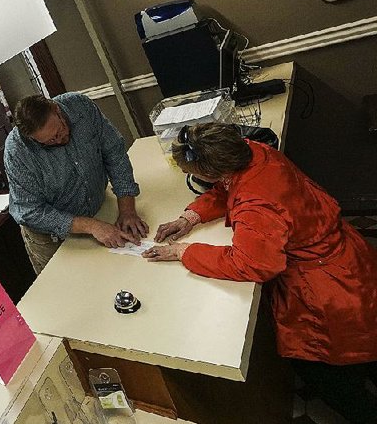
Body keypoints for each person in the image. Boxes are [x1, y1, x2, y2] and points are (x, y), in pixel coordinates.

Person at [142, 123, 377, 423]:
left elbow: (251, 264)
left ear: (208, 171)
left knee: (327, 371)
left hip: (329, 289)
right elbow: (228, 188)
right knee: (369, 341)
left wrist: (184, 252)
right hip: (352, 261)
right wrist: (191, 216)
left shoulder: (256, 205)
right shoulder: (254, 151)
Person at [4, 93, 148, 274]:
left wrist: (127, 210)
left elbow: (114, 153)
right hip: (52, 238)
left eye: (59, 132)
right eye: (49, 142)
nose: (59, 140)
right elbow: (29, 211)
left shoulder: (81, 107)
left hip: (99, 211)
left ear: (56, 110)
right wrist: (92, 226)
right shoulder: (17, 151)